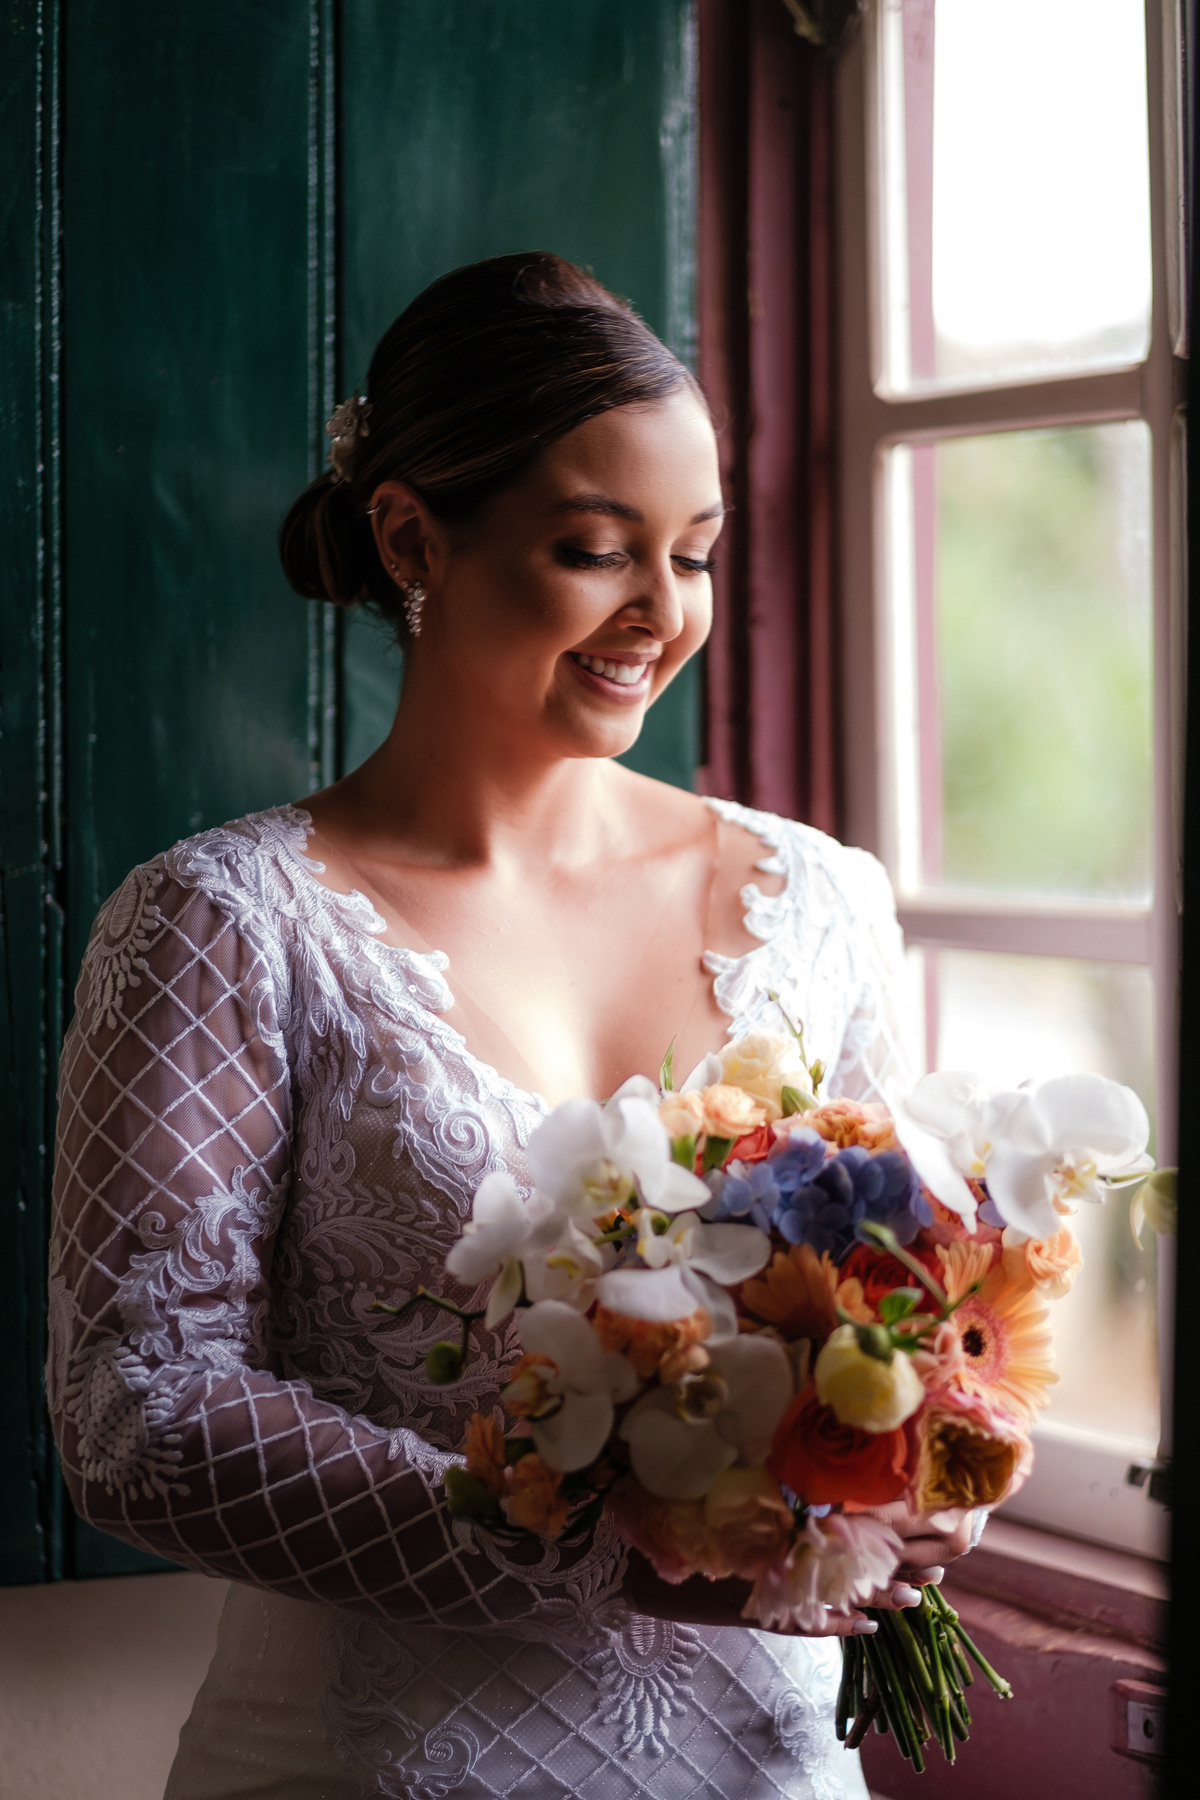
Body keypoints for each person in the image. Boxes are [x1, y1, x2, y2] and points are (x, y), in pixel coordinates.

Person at [50, 253, 972, 1800]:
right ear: (413, 534)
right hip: (383, 1759)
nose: (661, 614)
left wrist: (929, 1469)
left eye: (696, 553)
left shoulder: (818, 900)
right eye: (597, 551)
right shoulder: (223, 923)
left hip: (765, 1760)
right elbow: (136, 1410)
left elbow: (909, 1302)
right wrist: (587, 1553)